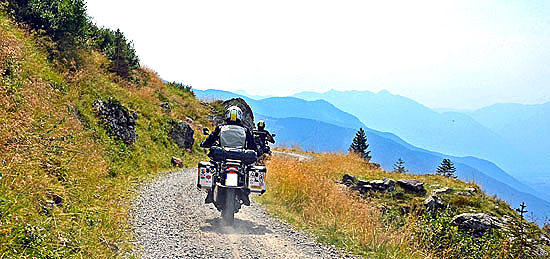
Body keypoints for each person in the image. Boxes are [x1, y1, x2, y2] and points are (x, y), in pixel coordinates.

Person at [200, 106, 257, 205]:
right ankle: (245, 193)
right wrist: (257, 150)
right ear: (240, 116)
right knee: (247, 170)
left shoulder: (221, 127)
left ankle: (210, 192)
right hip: (240, 158)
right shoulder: (245, 129)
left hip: (223, 156)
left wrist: (204, 143)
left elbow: (210, 139)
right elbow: (252, 145)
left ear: (227, 115)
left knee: (213, 167)